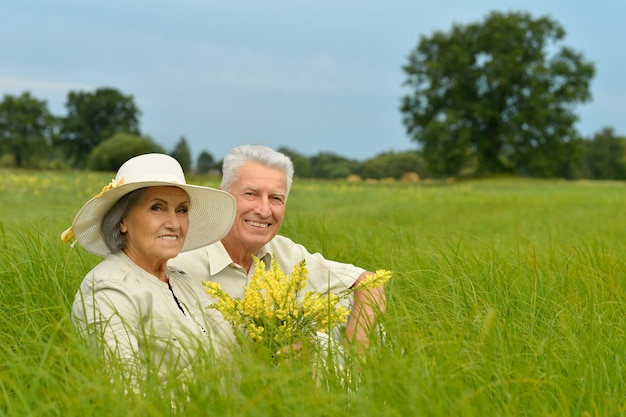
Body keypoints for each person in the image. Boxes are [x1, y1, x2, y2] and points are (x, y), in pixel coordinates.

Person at [171, 144, 386, 350]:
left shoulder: (287, 253)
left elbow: (370, 283)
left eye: (275, 198)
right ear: (223, 197)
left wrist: (353, 353)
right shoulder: (178, 262)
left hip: (282, 380)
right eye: (251, 194)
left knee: (350, 311)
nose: (264, 210)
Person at [64, 153, 238, 386]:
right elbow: (126, 392)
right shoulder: (108, 290)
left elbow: (233, 356)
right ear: (123, 220)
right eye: (157, 208)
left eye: (182, 210)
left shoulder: (182, 281)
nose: (174, 223)